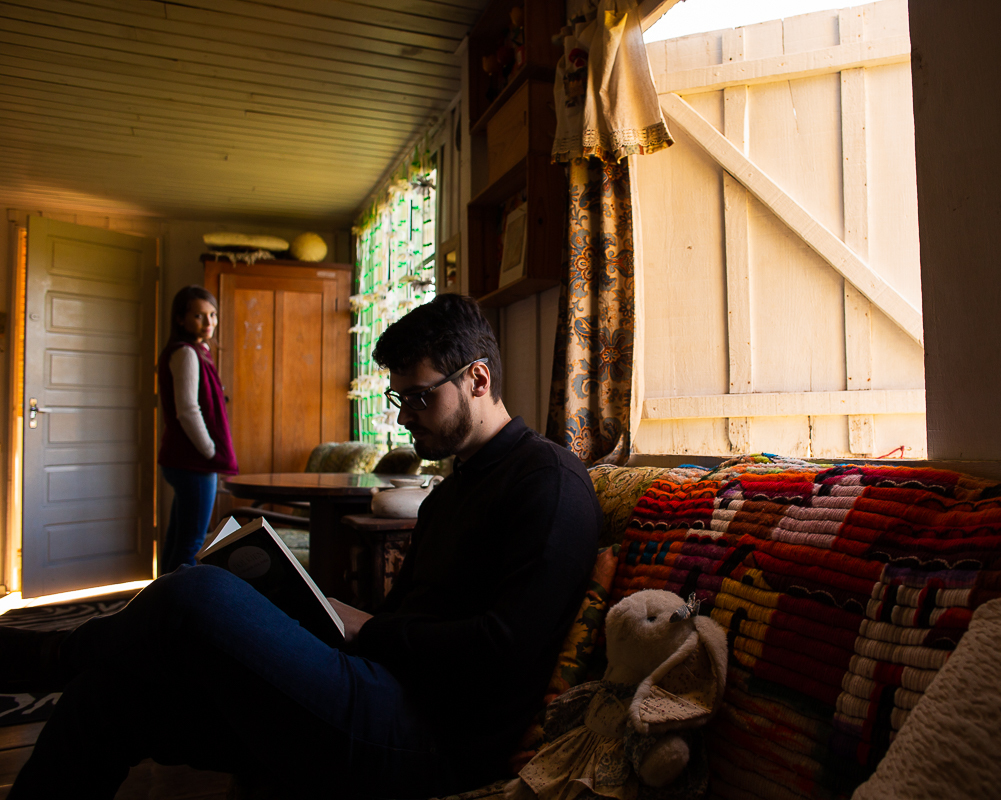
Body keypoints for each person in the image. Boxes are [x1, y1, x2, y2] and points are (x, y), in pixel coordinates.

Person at [0, 293, 602, 799]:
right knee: (112, 693)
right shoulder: (450, 494)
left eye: (420, 397)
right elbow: (404, 619)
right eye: (400, 400)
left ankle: (53, 657)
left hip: (431, 737)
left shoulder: (548, 482)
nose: (405, 418)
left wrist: (368, 630)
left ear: (478, 379)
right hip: (377, 690)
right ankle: (69, 669)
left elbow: (504, 652)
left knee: (199, 591)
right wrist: (320, 616)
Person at [158, 285, 238, 572]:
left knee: (178, 539)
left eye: (212, 314)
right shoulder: (186, 353)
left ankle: (162, 596)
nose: (209, 322)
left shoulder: (195, 351)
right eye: (199, 316)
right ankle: (179, 599)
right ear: (180, 319)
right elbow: (188, 410)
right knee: (191, 544)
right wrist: (210, 452)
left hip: (184, 461)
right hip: (193, 463)